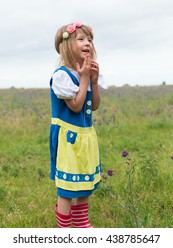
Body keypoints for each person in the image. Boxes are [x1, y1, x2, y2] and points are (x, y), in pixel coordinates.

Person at [49, 21, 102, 228]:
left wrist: (94, 82)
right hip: (68, 138)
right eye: (81, 38)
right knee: (67, 187)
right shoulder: (62, 76)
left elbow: (94, 106)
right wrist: (84, 79)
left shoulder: (85, 76)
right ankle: (64, 231)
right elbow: (76, 106)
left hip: (86, 135)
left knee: (84, 183)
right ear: (66, 46)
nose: (87, 42)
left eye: (89, 39)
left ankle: (81, 225)